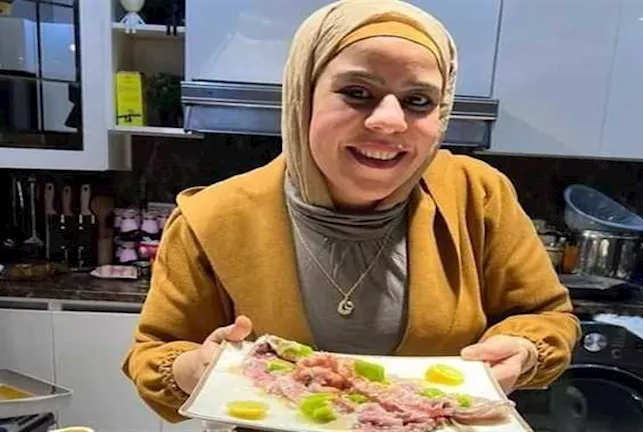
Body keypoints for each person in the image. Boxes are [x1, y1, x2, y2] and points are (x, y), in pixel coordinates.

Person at [122, 0, 581, 424]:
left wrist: (523, 349)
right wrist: (197, 367)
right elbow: (156, 351)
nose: (390, 121)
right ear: (303, 96)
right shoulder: (213, 218)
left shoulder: (476, 196)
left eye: (418, 101)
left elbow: (546, 316)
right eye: (357, 92)